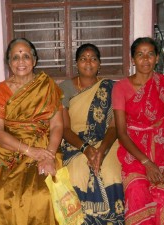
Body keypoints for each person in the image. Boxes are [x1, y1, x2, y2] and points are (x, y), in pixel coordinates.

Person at [112, 37, 164, 224]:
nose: (145, 59)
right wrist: (147, 163)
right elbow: (121, 132)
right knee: (137, 189)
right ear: (133, 59)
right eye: (140, 55)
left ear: (157, 58)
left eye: (150, 54)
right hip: (134, 149)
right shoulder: (120, 87)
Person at [0, 38, 63, 225]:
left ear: (34, 61)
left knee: (43, 196)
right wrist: (29, 151)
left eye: (26, 56)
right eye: (15, 57)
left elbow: (57, 126)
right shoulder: (1, 90)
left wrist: (49, 155)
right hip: (10, 148)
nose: (21, 62)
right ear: (9, 62)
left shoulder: (48, 86)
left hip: (45, 148)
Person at [59, 43, 125, 224]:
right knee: (77, 171)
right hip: (75, 142)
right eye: (83, 59)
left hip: (106, 141)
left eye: (93, 58)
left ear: (99, 63)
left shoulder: (111, 88)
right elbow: (64, 128)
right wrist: (86, 148)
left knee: (111, 171)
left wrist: (102, 150)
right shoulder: (64, 87)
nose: (88, 63)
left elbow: (113, 127)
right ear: (76, 63)